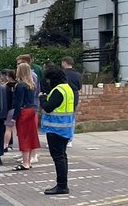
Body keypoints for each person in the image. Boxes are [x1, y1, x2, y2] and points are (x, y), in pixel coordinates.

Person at [40, 67, 75, 196]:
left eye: (48, 79)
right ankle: (62, 184)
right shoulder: (67, 89)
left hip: (56, 129)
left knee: (59, 157)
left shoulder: (58, 91)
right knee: (62, 156)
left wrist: (42, 98)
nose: (47, 82)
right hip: (65, 128)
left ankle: (62, 185)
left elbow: (48, 107)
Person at [12, 63, 41, 170]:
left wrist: (14, 117)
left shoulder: (20, 86)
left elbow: (18, 103)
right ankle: (28, 161)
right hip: (31, 110)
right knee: (30, 135)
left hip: (23, 111)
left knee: (23, 136)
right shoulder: (31, 85)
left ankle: (25, 163)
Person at [60, 57, 83, 148]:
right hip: (73, 97)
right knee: (71, 119)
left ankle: (61, 138)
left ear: (64, 63)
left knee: (60, 119)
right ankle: (69, 140)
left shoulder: (61, 73)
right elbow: (79, 87)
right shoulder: (77, 74)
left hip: (62, 97)